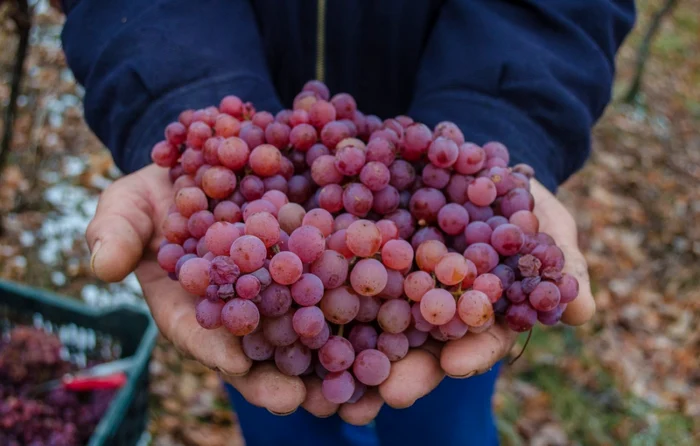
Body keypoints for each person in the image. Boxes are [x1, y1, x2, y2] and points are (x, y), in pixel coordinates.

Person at [55, 1, 635, 444]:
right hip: (279, 296)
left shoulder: (452, 256)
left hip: (437, 243)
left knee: (445, 410)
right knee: (279, 405)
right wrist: (178, 93)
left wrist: (504, 118)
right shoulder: (254, 247)